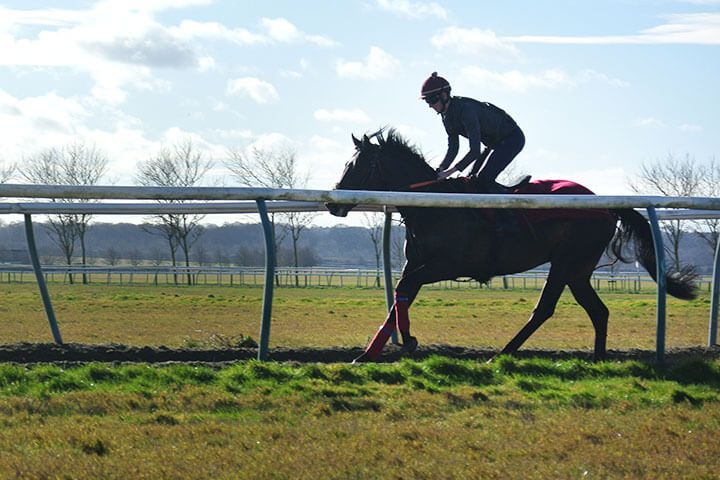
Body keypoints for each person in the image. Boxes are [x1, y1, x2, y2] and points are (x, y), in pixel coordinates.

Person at [420, 72, 525, 192]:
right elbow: (453, 148)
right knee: (471, 180)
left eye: (432, 100)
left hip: (512, 139)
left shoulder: (466, 110)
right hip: (494, 144)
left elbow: (475, 151)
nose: (430, 106)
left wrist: (449, 172)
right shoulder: (446, 117)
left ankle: (509, 204)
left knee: (484, 179)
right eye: (427, 102)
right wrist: (441, 169)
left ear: (444, 95)